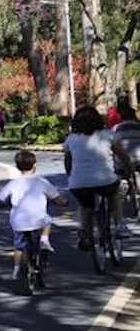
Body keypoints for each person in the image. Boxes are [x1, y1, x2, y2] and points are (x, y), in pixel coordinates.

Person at [63, 105, 134, 249]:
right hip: (105, 180)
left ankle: (84, 230)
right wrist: (129, 170)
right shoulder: (108, 135)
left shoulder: (70, 140)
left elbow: (68, 163)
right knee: (113, 194)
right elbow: (123, 157)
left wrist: (72, 176)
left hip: (79, 183)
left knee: (85, 205)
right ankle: (120, 224)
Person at [0, 150, 66, 284]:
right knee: (47, 221)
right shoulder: (41, 182)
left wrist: (3, 204)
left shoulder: (13, 184)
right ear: (35, 165)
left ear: (17, 167)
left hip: (18, 222)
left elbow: (0, 199)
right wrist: (64, 202)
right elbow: (57, 198)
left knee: (19, 247)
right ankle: (44, 240)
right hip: (38, 220)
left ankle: (16, 269)